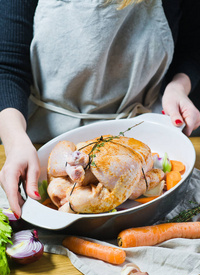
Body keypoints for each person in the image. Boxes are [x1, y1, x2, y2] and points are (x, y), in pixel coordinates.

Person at [0, 0, 200, 218]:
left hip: (141, 129)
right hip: (41, 143)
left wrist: (178, 87)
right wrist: (15, 142)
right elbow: (8, 68)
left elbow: (192, 45)